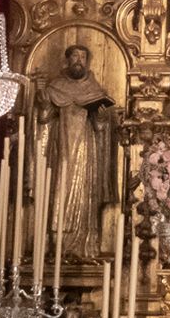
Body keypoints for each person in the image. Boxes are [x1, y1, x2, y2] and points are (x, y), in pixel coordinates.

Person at [37, 44, 117, 257]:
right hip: (61, 146)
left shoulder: (94, 89)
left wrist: (100, 116)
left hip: (86, 149)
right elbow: (43, 120)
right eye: (75, 56)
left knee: (84, 191)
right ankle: (58, 246)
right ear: (67, 60)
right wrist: (44, 104)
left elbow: (102, 127)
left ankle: (83, 246)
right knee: (60, 190)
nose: (79, 61)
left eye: (83, 57)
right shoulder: (56, 87)